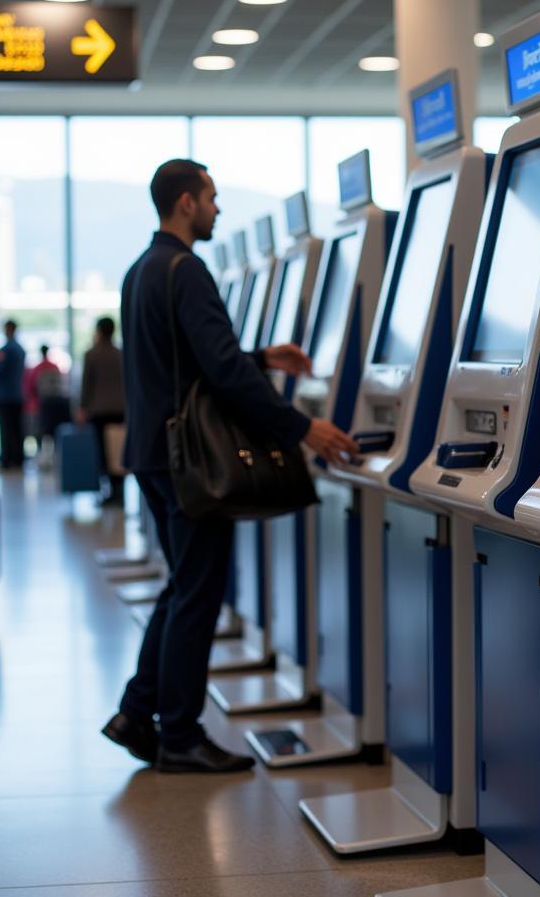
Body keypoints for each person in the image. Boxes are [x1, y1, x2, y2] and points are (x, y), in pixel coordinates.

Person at [101, 158, 358, 774]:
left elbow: (184, 359)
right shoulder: (187, 270)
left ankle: (137, 713)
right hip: (189, 462)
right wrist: (304, 428)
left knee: (182, 584)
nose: (218, 209)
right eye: (212, 199)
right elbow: (222, 372)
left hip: (154, 456)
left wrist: (262, 353)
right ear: (186, 203)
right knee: (198, 594)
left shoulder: (142, 270)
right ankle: (181, 735)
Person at [77, 317, 126, 506]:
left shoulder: (91, 354)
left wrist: (82, 407)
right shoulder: (120, 353)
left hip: (99, 410)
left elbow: (86, 385)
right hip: (120, 409)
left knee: (104, 452)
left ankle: (110, 491)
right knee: (118, 450)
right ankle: (119, 490)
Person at [0, 320, 26, 470]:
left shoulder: (6, 350)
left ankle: (6, 460)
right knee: (17, 429)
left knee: (6, 430)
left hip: (4, 396)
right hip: (17, 395)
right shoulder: (20, 349)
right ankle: (18, 460)